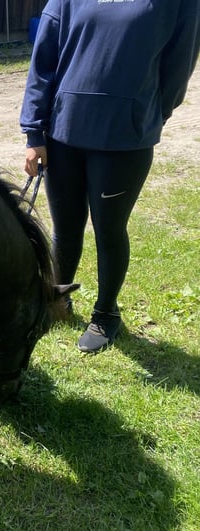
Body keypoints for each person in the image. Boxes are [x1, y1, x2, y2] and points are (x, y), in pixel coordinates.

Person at [20, 0, 199, 353]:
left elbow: (179, 65)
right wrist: (34, 133)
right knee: (65, 229)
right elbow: (43, 61)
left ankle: (106, 314)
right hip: (62, 133)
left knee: (109, 230)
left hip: (123, 139)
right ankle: (58, 299)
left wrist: (146, 115)